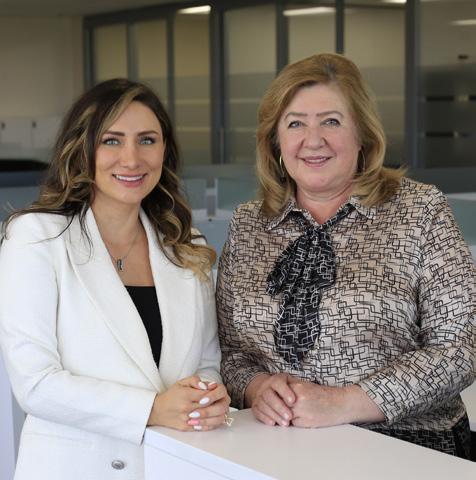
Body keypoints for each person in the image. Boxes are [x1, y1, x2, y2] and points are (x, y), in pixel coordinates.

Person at [216, 53, 475, 459]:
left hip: (408, 446)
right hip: (277, 447)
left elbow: (460, 348)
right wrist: (256, 388)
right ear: (275, 141)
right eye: (295, 123)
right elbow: (231, 352)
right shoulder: (249, 224)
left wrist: (346, 402)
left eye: (331, 121)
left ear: (362, 134)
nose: (313, 139)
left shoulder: (420, 210)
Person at [0, 78, 230, 480]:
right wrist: (152, 409)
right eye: (111, 141)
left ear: (165, 150)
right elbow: (36, 383)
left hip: (173, 464)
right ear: (82, 149)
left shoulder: (184, 244)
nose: (131, 158)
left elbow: (207, 363)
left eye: (147, 140)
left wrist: (205, 398)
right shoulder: (37, 237)